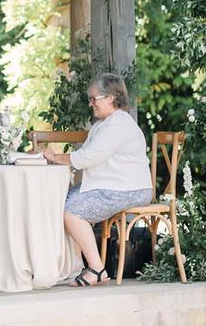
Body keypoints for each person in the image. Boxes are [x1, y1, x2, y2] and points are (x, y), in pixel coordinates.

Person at [41, 73, 153, 287]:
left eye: (94, 98)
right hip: (111, 185)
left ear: (111, 97)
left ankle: (96, 269)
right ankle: (66, 266)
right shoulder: (104, 123)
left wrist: (55, 157)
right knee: (57, 202)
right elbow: (87, 156)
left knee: (71, 213)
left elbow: (87, 158)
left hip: (128, 189)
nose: (90, 103)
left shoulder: (118, 124)